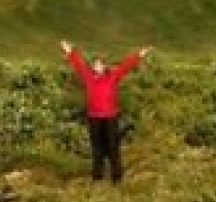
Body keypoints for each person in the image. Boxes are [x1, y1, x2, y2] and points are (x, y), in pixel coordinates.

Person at [61, 40, 152, 184]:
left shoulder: (112, 76)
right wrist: (69, 51)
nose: (97, 66)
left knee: (113, 148)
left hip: (110, 117)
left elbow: (125, 67)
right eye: (95, 64)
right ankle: (97, 177)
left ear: (104, 66)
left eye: (99, 64)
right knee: (97, 149)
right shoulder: (88, 77)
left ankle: (117, 178)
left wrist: (139, 55)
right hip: (94, 118)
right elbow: (79, 65)